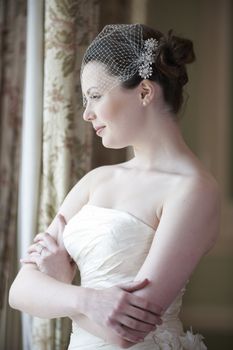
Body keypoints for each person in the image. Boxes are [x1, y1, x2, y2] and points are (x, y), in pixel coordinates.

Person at [9, 24, 220, 349]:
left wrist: (64, 290)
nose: (86, 114)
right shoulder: (96, 181)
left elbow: (126, 334)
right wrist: (84, 299)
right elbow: (20, 291)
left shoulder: (194, 191)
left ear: (145, 92)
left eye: (94, 96)